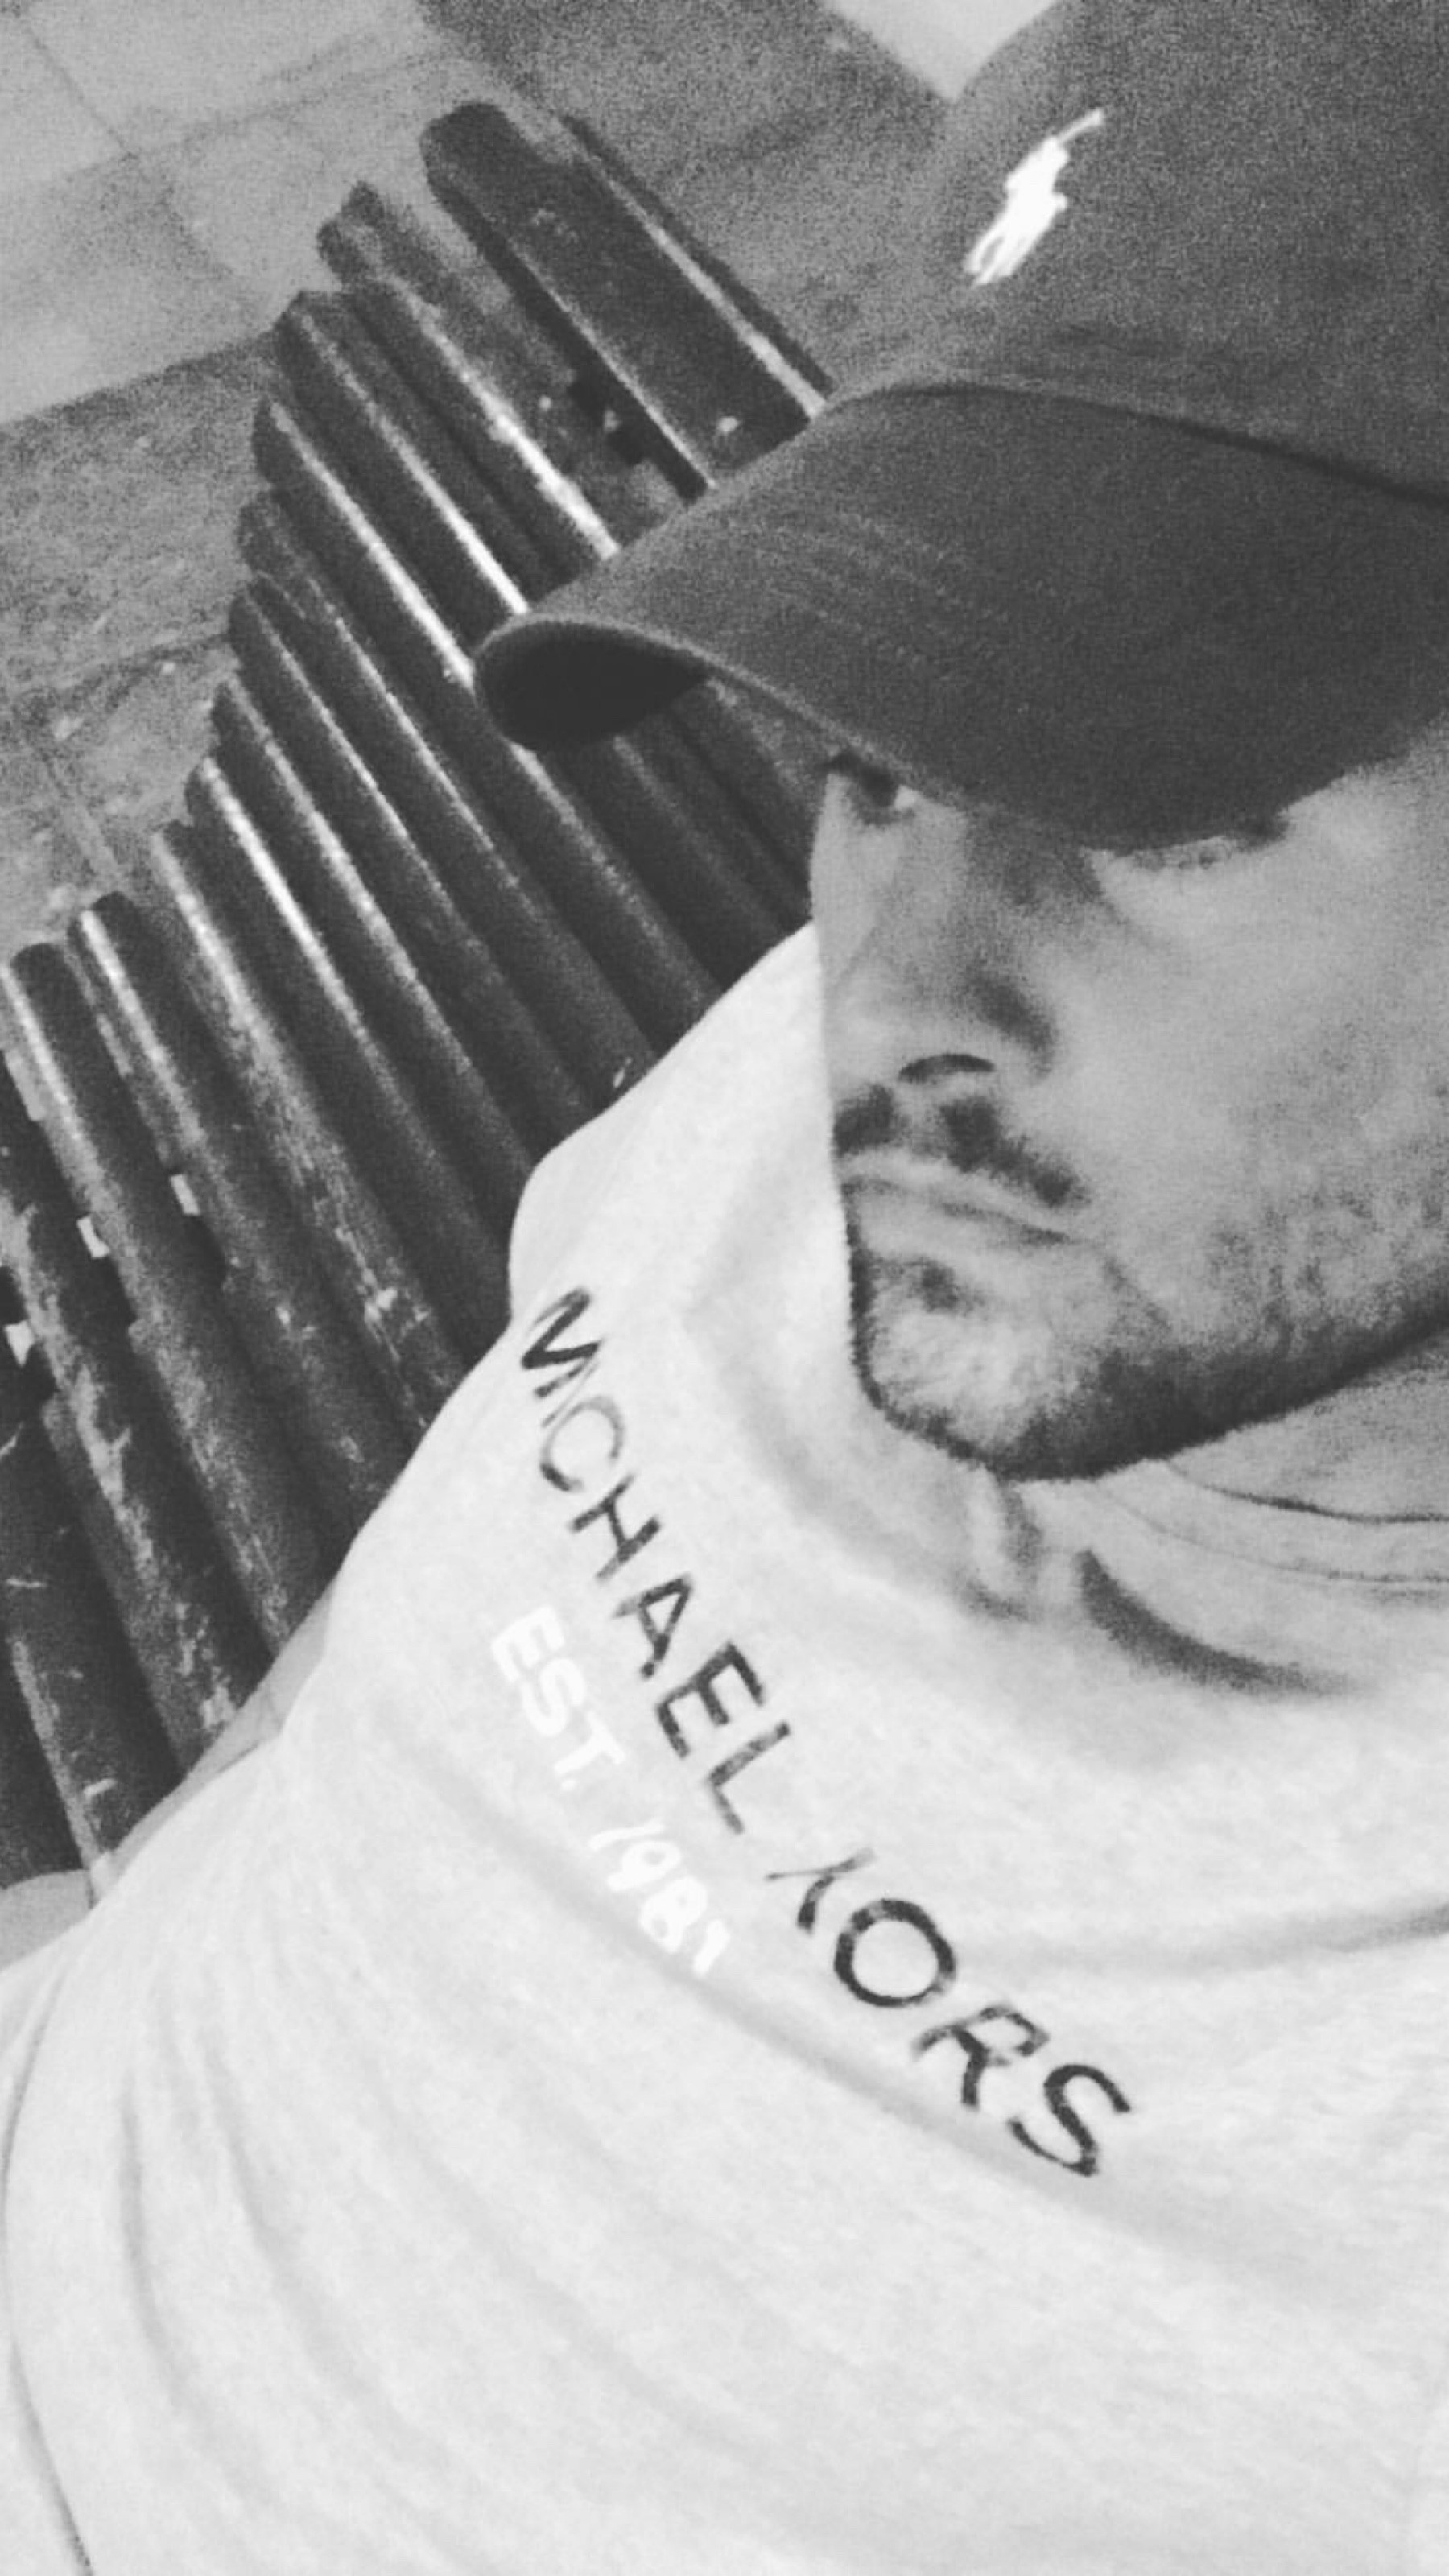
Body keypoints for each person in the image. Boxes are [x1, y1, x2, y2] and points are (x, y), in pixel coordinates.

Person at [6, 0, 1449, 2562]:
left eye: (1170, 819)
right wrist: (128, 1919)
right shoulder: (884, 1087)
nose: (901, 993)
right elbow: (407, 1635)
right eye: (878, 764)